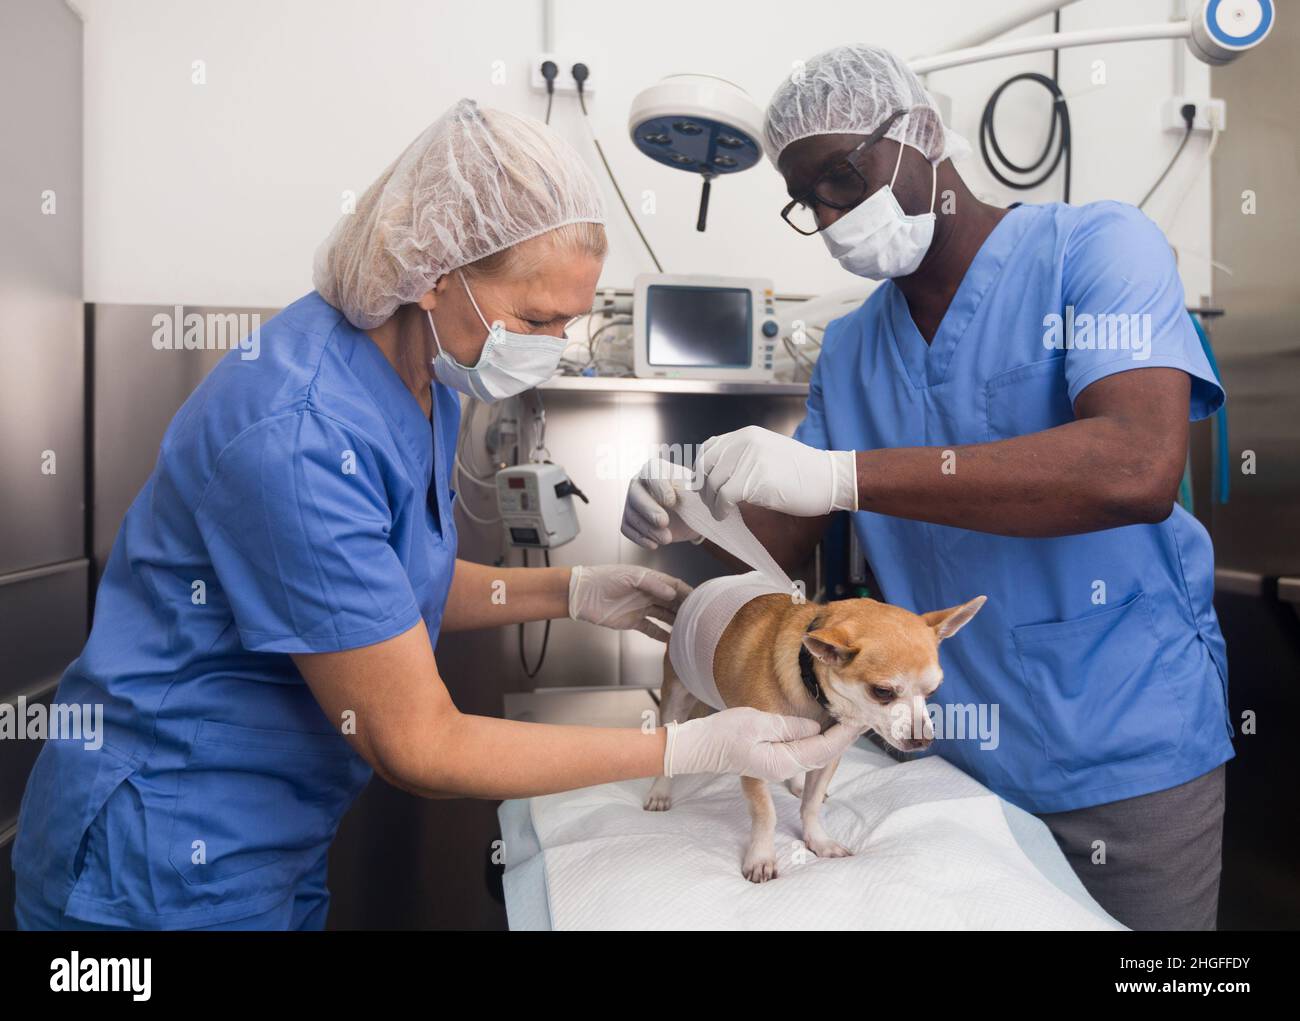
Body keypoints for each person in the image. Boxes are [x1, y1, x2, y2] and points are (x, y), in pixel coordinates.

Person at [13, 99, 858, 931]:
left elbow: (384, 590)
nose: (557, 344)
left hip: (273, 838)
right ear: (434, 273)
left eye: (571, 319)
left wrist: (575, 590)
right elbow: (417, 742)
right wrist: (689, 749)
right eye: (537, 318)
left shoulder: (427, 379)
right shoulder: (301, 433)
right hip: (157, 852)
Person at [622, 46, 1233, 931]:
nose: (831, 213)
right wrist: (688, 500)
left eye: (842, 176)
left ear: (919, 134)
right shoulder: (851, 346)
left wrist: (845, 473)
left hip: (1121, 746)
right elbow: (776, 548)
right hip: (940, 754)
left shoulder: (1099, 249)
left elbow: (1135, 466)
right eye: (808, 199)